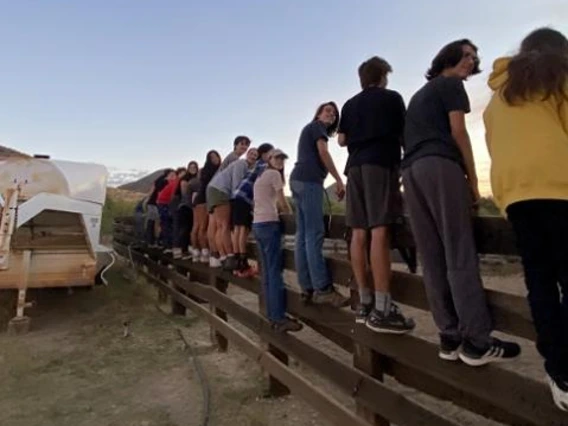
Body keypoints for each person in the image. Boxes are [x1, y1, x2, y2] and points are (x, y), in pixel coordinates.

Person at [401, 39, 521, 365]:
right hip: (440, 166)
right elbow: (458, 132)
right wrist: (474, 181)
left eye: (474, 56)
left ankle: (449, 336)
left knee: (433, 256)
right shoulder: (451, 84)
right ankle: (477, 341)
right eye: (466, 55)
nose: (471, 61)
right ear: (449, 57)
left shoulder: (418, 97)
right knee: (459, 251)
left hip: (411, 174)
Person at [483, 28, 568, 411]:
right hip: (560, 184)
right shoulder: (559, 77)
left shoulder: (497, 98)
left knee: (540, 281)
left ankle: (559, 372)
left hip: (517, 195)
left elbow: (495, 145)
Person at [338, 56, 415, 334]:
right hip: (380, 163)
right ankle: (383, 308)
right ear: (382, 76)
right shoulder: (392, 98)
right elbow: (406, 133)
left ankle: (365, 302)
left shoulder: (349, 104)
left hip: (354, 167)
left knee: (358, 232)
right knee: (380, 229)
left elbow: (341, 139)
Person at [289, 102, 349, 308]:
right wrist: (339, 180)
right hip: (309, 182)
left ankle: (307, 287)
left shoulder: (311, 128)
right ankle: (323, 289)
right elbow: (323, 152)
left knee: (303, 235)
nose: (331, 115)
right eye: (327, 111)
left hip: (297, 180)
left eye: (334, 114)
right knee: (314, 234)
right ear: (319, 114)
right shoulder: (317, 127)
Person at [253, 149, 302, 332]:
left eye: (283, 158)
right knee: (274, 273)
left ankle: (271, 314)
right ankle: (279, 318)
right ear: (269, 159)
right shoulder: (273, 174)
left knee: (266, 273)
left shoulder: (260, 176)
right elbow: (282, 201)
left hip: (257, 225)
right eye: (277, 158)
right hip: (269, 224)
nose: (281, 161)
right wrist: (292, 217)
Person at [207, 148, 259, 269]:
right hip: (221, 191)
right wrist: (236, 203)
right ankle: (230, 257)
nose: (253, 156)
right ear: (247, 155)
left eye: (255, 155)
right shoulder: (241, 164)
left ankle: (223, 256)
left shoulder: (245, 166)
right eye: (251, 153)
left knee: (220, 226)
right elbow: (237, 184)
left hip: (214, 189)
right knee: (224, 226)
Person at [232, 143, 274, 276]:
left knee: (238, 229)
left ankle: (238, 261)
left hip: (237, 196)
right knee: (243, 230)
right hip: (244, 198)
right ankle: (243, 262)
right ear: (264, 154)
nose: (272, 156)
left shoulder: (255, 165)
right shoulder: (263, 165)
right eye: (270, 154)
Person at [191, 151, 221, 263]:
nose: (214, 159)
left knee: (199, 227)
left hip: (200, 199)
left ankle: (198, 252)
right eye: (211, 157)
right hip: (204, 200)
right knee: (202, 227)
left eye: (216, 156)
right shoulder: (212, 171)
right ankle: (204, 252)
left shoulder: (205, 171)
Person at [172, 161, 199, 259]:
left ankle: (185, 249)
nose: (193, 169)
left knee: (189, 228)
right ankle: (182, 250)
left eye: (194, 167)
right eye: (191, 167)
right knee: (185, 228)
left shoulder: (197, 179)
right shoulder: (184, 180)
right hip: (185, 206)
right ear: (188, 168)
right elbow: (185, 194)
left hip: (193, 206)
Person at [157, 168, 184, 252]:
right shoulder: (175, 182)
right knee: (167, 224)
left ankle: (165, 244)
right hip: (165, 204)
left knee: (166, 224)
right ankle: (168, 245)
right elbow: (172, 195)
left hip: (163, 203)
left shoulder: (172, 182)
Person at [146, 169, 173, 247]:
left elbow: (152, 190)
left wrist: (148, 198)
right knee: (157, 222)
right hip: (156, 203)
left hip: (152, 203)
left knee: (152, 222)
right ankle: (155, 241)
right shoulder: (165, 182)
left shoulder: (159, 180)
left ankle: (151, 241)